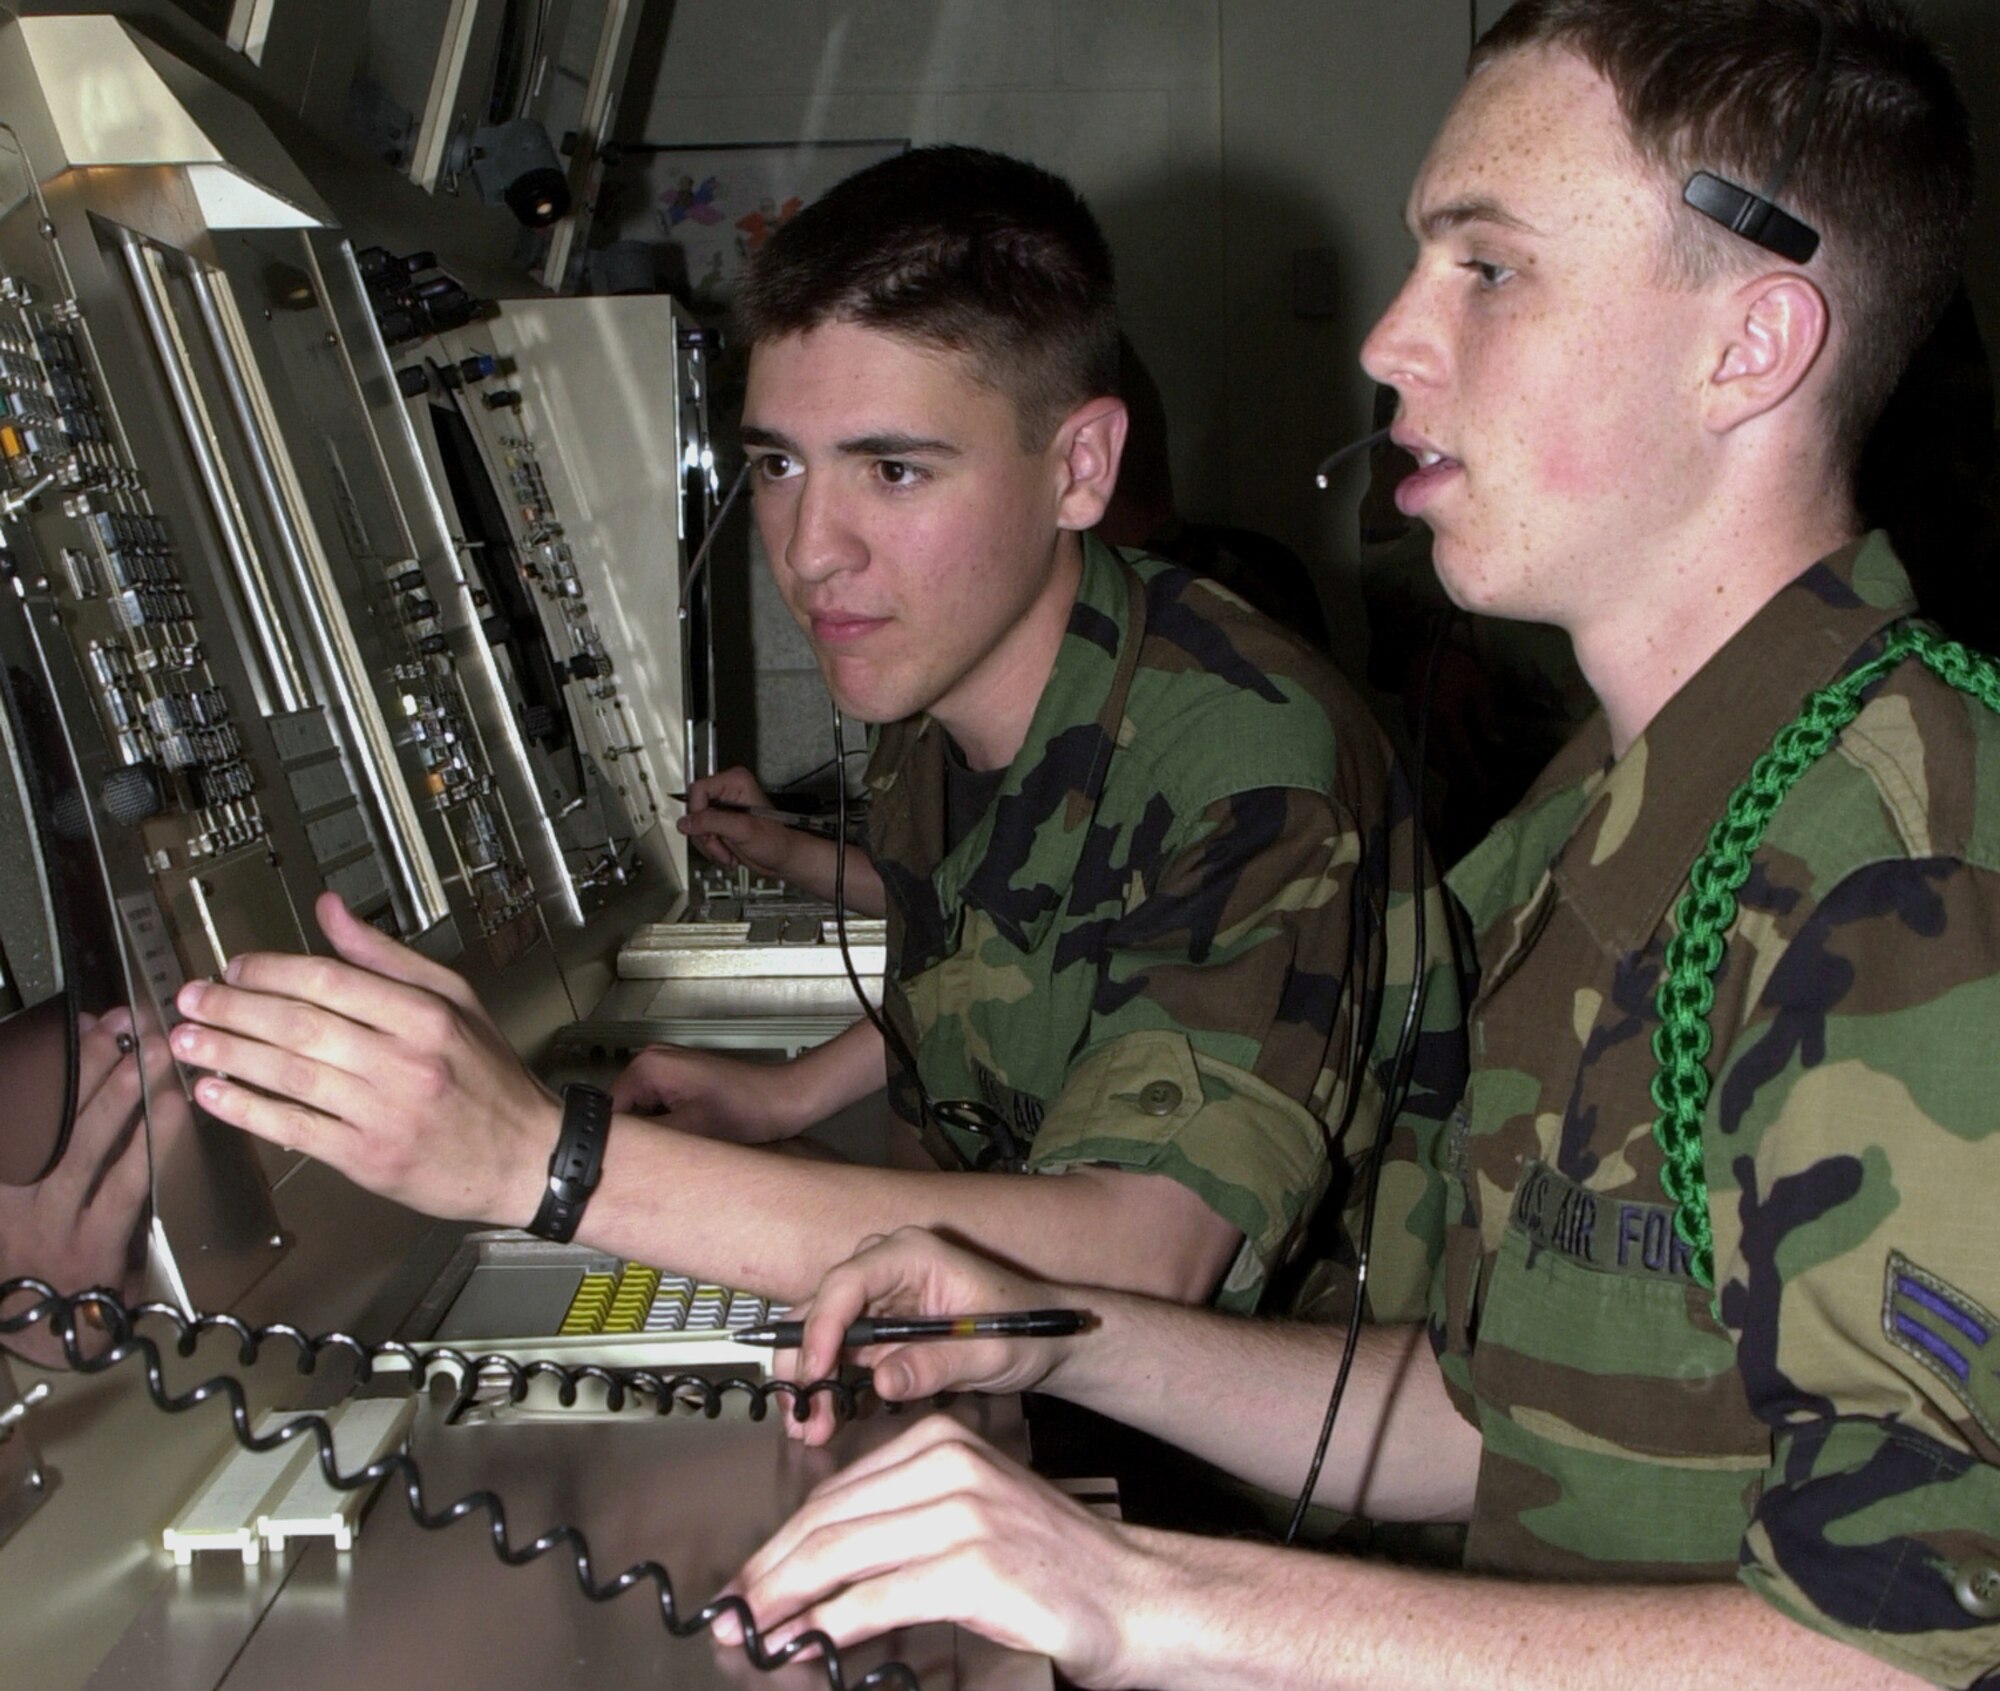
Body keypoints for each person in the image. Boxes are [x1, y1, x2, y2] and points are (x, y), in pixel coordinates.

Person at [713, 4, 2000, 1686]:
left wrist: (1149, 1600)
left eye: (1489, 269)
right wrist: (1046, 1329)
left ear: (1747, 346)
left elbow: (1912, 1650)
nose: (1392, 340)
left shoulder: (1895, 876)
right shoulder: (1615, 808)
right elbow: (1498, 1418)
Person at [166, 145, 1459, 1314]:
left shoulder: (1252, 764)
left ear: (1079, 468)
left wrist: (543, 1164)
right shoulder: (935, 667)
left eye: (893, 471)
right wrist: (791, 1093)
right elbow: (991, 936)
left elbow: (1145, 1247)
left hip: (1252, 1504)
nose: (809, 553)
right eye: (779, 464)